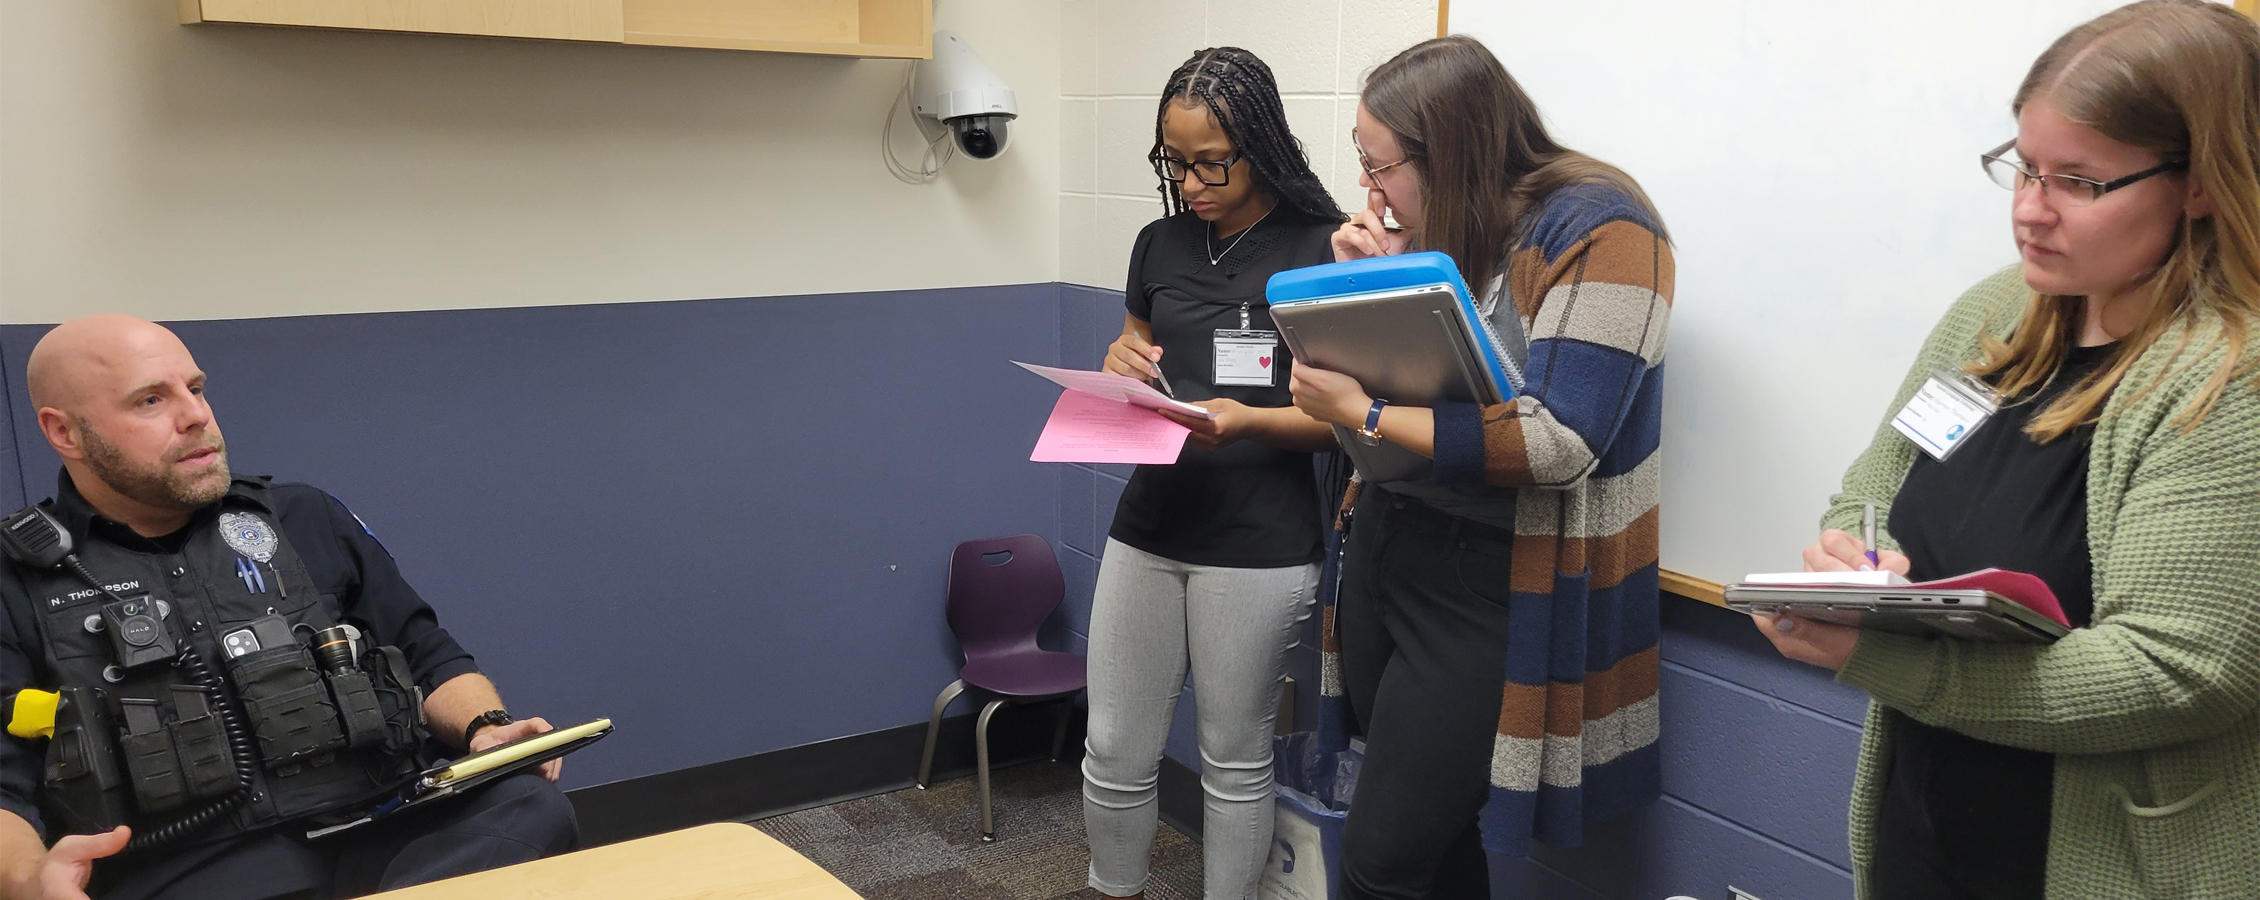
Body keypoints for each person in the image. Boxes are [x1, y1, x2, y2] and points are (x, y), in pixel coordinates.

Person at [1753, 3, 2260, 897]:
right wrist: (1853, 563)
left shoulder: (2230, 378)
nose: (2030, 211)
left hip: (2102, 863)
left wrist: (1886, 659)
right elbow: (1870, 494)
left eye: (2078, 182)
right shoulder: (1996, 313)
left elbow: (2179, 672)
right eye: (2022, 168)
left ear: (2202, 183)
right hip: (1928, 824)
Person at [0, 315, 578, 900]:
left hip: (381, 830)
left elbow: (428, 655)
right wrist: (29, 880)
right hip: (188, 872)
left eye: (195, 389)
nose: (196, 416)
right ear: (65, 432)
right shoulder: (13, 580)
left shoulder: (304, 517)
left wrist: (487, 729)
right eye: (150, 400)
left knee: (526, 804)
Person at [1287, 36, 1673, 899]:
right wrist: (1373, 293)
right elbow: (1450, 381)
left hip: (1496, 576)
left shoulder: (1606, 230)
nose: (1369, 189)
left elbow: (1560, 441)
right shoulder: (1450, 232)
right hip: (1394, 543)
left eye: (1379, 166)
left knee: (1379, 860)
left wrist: (1367, 411)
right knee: (1431, 841)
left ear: (1448, 154)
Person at [1079, 47, 1345, 900]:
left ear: (1259, 146)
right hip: (1150, 524)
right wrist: (1121, 363)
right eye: (1174, 160)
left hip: (1258, 543)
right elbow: (1138, 354)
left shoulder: (1321, 248)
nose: (1190, 181)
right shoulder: (1157, 243)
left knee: (1232, 759)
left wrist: (1248, 421)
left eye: (1210, 162)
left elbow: (1348, 419)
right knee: (1114, 746)